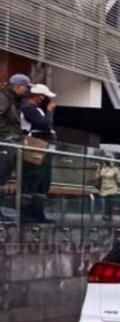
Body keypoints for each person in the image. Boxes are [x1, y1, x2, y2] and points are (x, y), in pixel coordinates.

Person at [20, 82, 56, 223]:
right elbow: (44, 124)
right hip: (35, 148)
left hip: (43, 149)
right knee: (33, 180)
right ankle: (28, 215)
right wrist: (50, 111)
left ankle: (38, 213)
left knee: (42, 182)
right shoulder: (28, 109)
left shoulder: (37, 110)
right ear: (38, 97)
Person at [0, 75, 29, 215]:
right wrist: (6, 135)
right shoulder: (3, 98)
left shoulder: (12, 100)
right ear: (18, 85)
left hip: (9, 144)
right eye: (26, 87)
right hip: (5, 144)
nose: (26, 90)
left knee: (4, 176)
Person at [95, 157, 120, 222]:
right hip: (104, 189)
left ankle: (107, 216)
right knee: (106, 203)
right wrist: (98, 168)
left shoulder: (115, 169)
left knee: (109, 203)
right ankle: (108, 217)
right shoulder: (102, 167)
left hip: (112, 188)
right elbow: (97, 177)